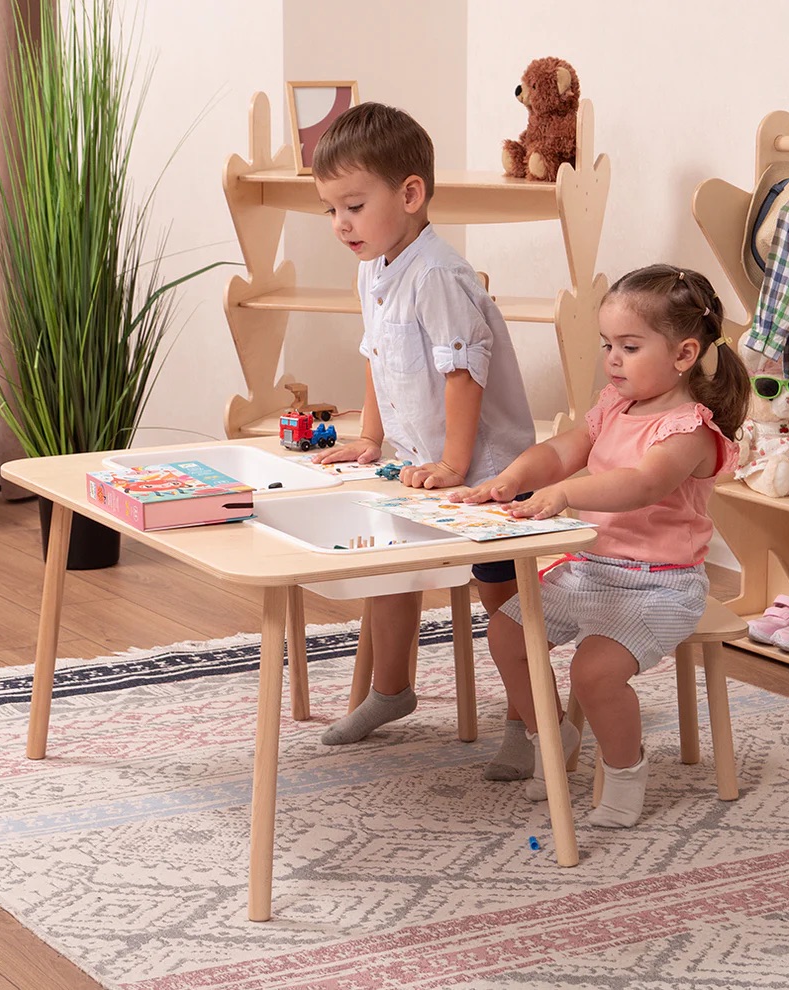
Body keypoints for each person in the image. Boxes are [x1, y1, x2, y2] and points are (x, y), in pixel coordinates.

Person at [452, 264, 750, 827]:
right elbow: (562, 451)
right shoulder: (614, 406)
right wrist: (513, 478)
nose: (612, 358)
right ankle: (553, 735)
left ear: (684, 354)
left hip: (660, 586)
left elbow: (643, 484)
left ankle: (625, 767)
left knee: (592, 673)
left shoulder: (688, 429)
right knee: (505, 632)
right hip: (590, 570)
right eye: (607, 344)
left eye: (629, 346)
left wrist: (566, 493)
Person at [309, 102, 536, 745]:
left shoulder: (436, 273)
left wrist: (457, 465)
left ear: (411, 194)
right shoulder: (372, 269)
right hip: (418, 463)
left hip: (486, 469)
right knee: (386, 567)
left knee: (501, 601)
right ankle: (392, 690)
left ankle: (527, 718)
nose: (340, 224)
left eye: (353, 206)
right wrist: (369, 437)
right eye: (330, 209)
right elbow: (378, 356)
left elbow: (463, 375)